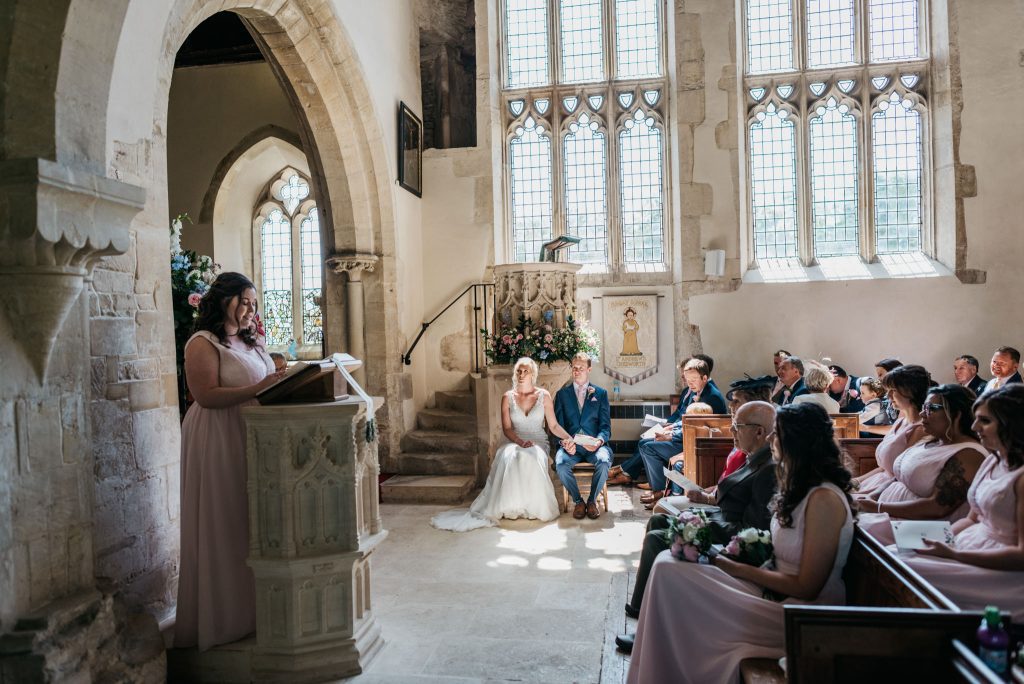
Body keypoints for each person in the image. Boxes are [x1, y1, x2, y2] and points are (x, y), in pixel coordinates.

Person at [626, 403, 855, 683]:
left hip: (798, 612)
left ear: (796, 441)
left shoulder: (824, 500)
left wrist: (730, 565)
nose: (771, 440)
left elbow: (807, 587)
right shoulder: (801, 486)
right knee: (666, 566)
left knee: (671, 573)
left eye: (777, 434)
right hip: (771, 586)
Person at [174, 272, 286, 651]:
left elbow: (266, 379)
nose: (251, 310)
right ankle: (221, 618)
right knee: (222, 519)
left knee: (247, 521)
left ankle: (252, 609)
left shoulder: (252, 340)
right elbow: (205, 395)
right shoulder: (201, 343)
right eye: (245, 301)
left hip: (252, 435)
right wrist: (259, 388)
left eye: (254, 303)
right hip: (218, 435)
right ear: (224, 300)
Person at [614, 400, 778, 656]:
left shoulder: (768, 468)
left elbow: (753, 528)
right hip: (722, 519)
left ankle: (648, 626)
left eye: (738, 426)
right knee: (658, 521)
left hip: (731, 537)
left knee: (659, 538)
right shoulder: (753, 457)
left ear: (759, 432)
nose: (732, 431)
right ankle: (641, 610)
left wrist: (701, 522)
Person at [907, 385, 1024, 621]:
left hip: (1004, 572)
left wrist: (954, 554)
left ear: (1012, 423)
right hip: (970, 541)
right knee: (897, 549)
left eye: (985, 421)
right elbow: (972, 517)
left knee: (907, 570)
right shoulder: (994, 459)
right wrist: (940, 538)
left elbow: (1022, 555)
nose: (973, 427)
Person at [432, 357, 573, 531]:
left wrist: (569, 438)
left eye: (525, 371)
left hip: (538, 440)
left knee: (533, 456)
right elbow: (507, 429)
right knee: (509, 455)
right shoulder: (508, 397)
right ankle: (508, 506)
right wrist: (520, 442)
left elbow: (553, 426)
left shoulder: (544, 396)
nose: (521, 375)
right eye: (519, 371)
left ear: (533, 374)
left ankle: (534, 507)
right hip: (515, 439)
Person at [855, 384, 987, 544]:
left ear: (956, 414)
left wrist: (878, 507)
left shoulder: (969, 453)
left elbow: (937, 507)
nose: (923, 413)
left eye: (931, 408)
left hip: (925, 529)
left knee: (853, 526)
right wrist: (870, 497)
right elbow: (897, 477)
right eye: (924, 407)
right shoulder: (931, 440)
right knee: (843, 515)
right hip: (890, 515)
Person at [638, 358, 727, 508]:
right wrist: (671, 427)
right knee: (645, 444)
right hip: (686, 438)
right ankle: (660, 490)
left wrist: (671, 435)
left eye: (693, 379)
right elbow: (687, 418)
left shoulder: (712, 396)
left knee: (648, 447)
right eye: (687, 380)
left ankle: (661, 491)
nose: (689, 383)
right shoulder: (697, 390)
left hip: (697, 446)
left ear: (704, 378)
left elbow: (699, 427)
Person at [853, 365, 930, 497]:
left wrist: (865, 495)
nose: (888, 395)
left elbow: (899, 475)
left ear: (910, 392)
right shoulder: (900, 422)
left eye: (893, 390)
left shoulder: (921, 429)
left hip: (892, 490)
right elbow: (884, 468)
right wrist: (856, 481)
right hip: (877, 482)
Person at [554, 353, 612, 519]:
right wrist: (565, 443)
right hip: (571, 447)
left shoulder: (600, 394)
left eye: (580, 368)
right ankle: (579, 501)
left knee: (603, 460)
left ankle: (592, 501)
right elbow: (558, 426)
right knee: (561, 463)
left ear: (589, 369)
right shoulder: (562, 395)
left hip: (594, 447)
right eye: (574, 368)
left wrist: (599, 441)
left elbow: (606, 427)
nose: (576, 371)